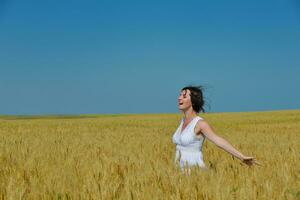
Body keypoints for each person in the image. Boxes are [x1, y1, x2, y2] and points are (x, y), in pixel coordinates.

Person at [172, 85, 259, 170]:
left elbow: (218, 140)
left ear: (193, 101)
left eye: (184, 96)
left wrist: (241, 157)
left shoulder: (200, 124)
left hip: (194, 171)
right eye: (180, 95)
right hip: (179, 171)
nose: (179, 98)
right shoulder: (183, 121)